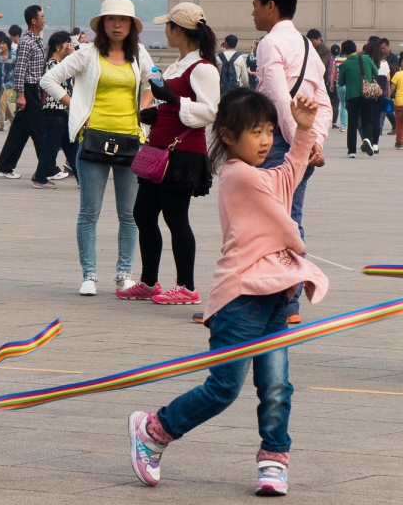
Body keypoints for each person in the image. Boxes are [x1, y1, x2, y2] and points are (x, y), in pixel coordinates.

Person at [127, 89, 328, 497]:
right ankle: (154, 430)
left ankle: (274, 457)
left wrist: (303, 132)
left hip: (277, 295)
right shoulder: (238, 175)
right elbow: (283, 206)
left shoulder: (262, 173)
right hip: (241, 299)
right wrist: (298, 247)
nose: (267, 139)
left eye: (271, 130)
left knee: (276, 385)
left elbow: (289, 174)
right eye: (256, 132)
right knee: (223, 388)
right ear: (229, 137)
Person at [39, 0, 154, 296]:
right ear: (102, 24)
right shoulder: (88, 54)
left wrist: (144, 109)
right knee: (89, 212)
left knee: (129, 215)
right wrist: (76, 108)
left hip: (131, 140)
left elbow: (153, 83)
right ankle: (89, 275)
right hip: (92, 141)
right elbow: (49, 79)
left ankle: (123, 274)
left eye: (124, 20)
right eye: (112, 19)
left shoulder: (140, 54)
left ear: (131, 26)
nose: (117, 25)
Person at [116, 2, 219, 305]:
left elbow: (210, 112)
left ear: (178, 30)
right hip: (161, 149)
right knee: (143, 214)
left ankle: (186, 286)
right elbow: (174, 107)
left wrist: (172, 99)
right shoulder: (180, 63)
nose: (165, 30)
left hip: (183, 153)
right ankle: (149, 281)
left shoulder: (203, 68)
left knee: (176, 217)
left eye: (168, 26)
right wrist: (157, 114)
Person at [250, 0, 331, 325]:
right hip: (302, 141)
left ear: (271, 6)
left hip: (279, 142)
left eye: (255, 5)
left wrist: (299, 141)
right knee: (291, 219)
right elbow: (324, 101)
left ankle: (270, 301)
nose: (252, 13)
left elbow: (279, 97)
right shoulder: (307, 46)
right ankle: (289, 302)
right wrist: (316, 141)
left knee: (263, 221)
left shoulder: (269, 43)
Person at [0, 5, 47, 179]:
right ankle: (47, 168)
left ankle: (3, 166)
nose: (44, 20)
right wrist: (21, 95)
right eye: (42, 17)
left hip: (36, 88)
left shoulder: (37, 40)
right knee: (40, 130)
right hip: (29, 89)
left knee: (19, 131)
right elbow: (20, 69)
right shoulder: (26, 42)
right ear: (34, 20)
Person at [33, 31, 76, 188]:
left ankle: (81, 178)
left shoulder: (60, 63)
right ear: (58, 47)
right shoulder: (53, 64)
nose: (70, 47)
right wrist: (72, 56)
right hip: (55, 110)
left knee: (71, 147)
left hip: (62, 111)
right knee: (50, 148)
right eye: (67, 43)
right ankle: (40, 177)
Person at [337, 39, 380, 158]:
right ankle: (367, 138)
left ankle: (351, 151)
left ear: (344, 52)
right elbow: (376, 71)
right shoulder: (366, 59)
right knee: (368, 120)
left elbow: (341, 82)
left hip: (352, 96)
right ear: (355, 49)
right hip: (367, 94)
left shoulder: (344, 65)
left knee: (352, 123)